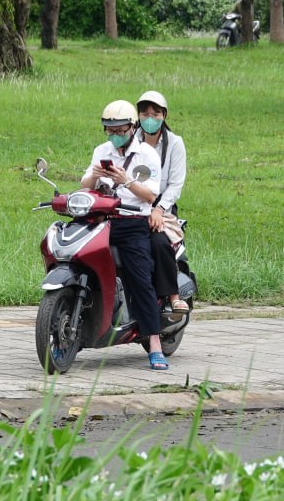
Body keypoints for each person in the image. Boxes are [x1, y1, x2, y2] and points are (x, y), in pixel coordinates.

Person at [80, 100, 169, 370]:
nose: (115, 135)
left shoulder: (146, 154)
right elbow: (84, 185)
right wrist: (95, 176)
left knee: (140, 278)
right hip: (102, 219)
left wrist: (126, 181)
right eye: (110, 130)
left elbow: (150, 195)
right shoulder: (101, 151)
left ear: (132, 127)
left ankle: (154, 342)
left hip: (133, 223)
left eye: (120, 130)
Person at [136, 90, 189, 314]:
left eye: (155, 114)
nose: (150, 118)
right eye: (145, 114)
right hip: (133, 201)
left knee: (158, 242)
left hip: (161, 203)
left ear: (164, 116)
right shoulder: (130, 140)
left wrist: (158, 209)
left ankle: (173, 295)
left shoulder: (175, 144)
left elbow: (175, 185)